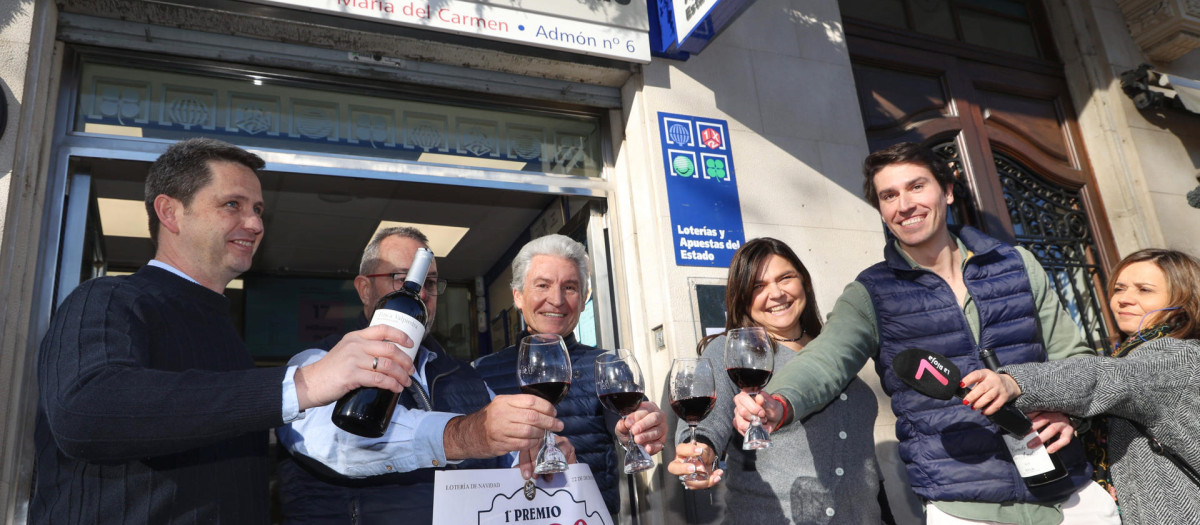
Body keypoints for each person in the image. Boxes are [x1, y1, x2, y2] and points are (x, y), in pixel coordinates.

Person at [31, 138, 417, 524]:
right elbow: (84, 411)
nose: (255, 224)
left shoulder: (225, 335)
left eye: (258, 209)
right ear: (170, 212)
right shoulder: (109, 297)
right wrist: (301, 385)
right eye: (232, 204)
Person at [742, 142, 1120, 524]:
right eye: (889, 195)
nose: (904, 204)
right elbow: (825, 361)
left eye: (916, 186)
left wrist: (1070, 414)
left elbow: (1076, 361)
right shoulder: (871, 292)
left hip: (1068, 491)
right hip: (963, 506)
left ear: (948, 190)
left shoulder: (1017, 264)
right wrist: (779, 402)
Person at [277, 226, 570, 524]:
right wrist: (464, 435)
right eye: (403, 279)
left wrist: (533, 453)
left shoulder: (467, 376)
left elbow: (509, 460)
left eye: (430, 282)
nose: (421, 292)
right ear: (365, 289)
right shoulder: (315, 363)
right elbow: (334, 443)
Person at [962, 248, 1200, 524]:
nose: (1124, 299)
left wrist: (1015, 382)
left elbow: (1103, 377)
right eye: (1119, 288)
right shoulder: (1130, 353)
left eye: (1144, 290)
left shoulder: (1180, 356)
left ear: (1183, 301)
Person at [665, 238, 885, 523]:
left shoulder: (833, 349)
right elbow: (708, 422)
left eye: (786, 278)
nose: (777, 293)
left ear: (803, 281)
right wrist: (699, 452)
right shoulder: (731, 353)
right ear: (742, 297)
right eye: (758, 286)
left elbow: (866, 465)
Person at [473, 234, 669, 516]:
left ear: (584, 298)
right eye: (542, 285)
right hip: (506, 515)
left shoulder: (606, 364)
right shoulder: (482, 372)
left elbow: (628, 422)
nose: (557, 299)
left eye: (570, 287)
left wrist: (641, 427)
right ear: (517, 296)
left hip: (585, 515)